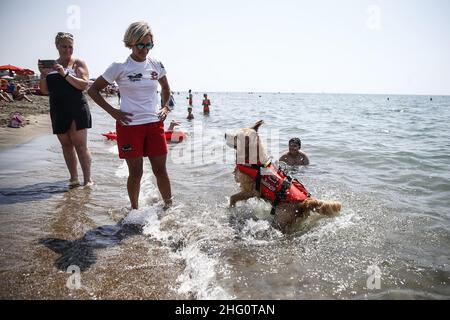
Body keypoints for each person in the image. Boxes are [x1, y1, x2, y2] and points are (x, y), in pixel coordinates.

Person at [88, 21, 173, 210]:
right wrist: (113, 112)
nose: (145, 49)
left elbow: (166, 88)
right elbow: (93, 90)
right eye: (140, 45)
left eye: (148, 44)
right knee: (136, 173)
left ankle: (170, 207)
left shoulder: (156, 64)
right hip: (129, 126)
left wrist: (166, 108)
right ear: (130, 43)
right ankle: (134, 210)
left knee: (161, 171)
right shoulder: (119, 66)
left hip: (154, 124)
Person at [38, 32, 93, 187]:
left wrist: (65, 73)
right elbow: (44, 90)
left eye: (70, 46)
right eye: (64, 46)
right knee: (66, 145)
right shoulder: (51, 65)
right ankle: (74, 178)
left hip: (77, 107)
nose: (68, 50)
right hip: (58, 108)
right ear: (57, 46)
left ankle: (88, 179)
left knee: (80, 145)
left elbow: (84, 84)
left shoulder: (77, 63)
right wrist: (43, 75)